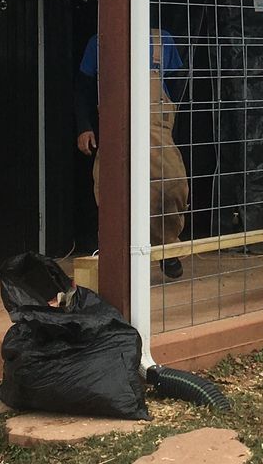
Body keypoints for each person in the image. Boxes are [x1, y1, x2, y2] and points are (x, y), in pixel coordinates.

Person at [75, 28, 191, 279]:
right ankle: (114, 253)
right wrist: (84, 126)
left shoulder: (162, 41)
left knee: (171, 185)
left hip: (155, 129)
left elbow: (178, 85)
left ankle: (167, 247)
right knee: (109, 188)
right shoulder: (99, 43)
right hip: (115, 126)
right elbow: (83, 89)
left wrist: (168, 118)